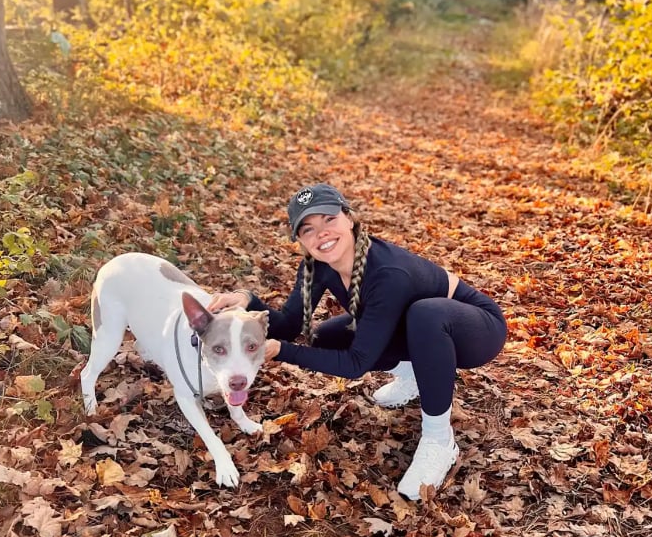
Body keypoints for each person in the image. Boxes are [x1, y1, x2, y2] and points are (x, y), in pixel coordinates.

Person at [209, 184, 507, 500]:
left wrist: (284, 352)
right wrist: (246, 299)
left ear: (349, 218)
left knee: (426, 314)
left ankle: (438, 440)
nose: (320, 234)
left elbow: (356, 364)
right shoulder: (316, 266)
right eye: (308, 229)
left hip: (477, 331)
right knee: (328, 336)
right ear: (300, 239)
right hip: (417, 330)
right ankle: (414, 375)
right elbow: (288, 325)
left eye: (328, 220)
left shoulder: (387, 271)